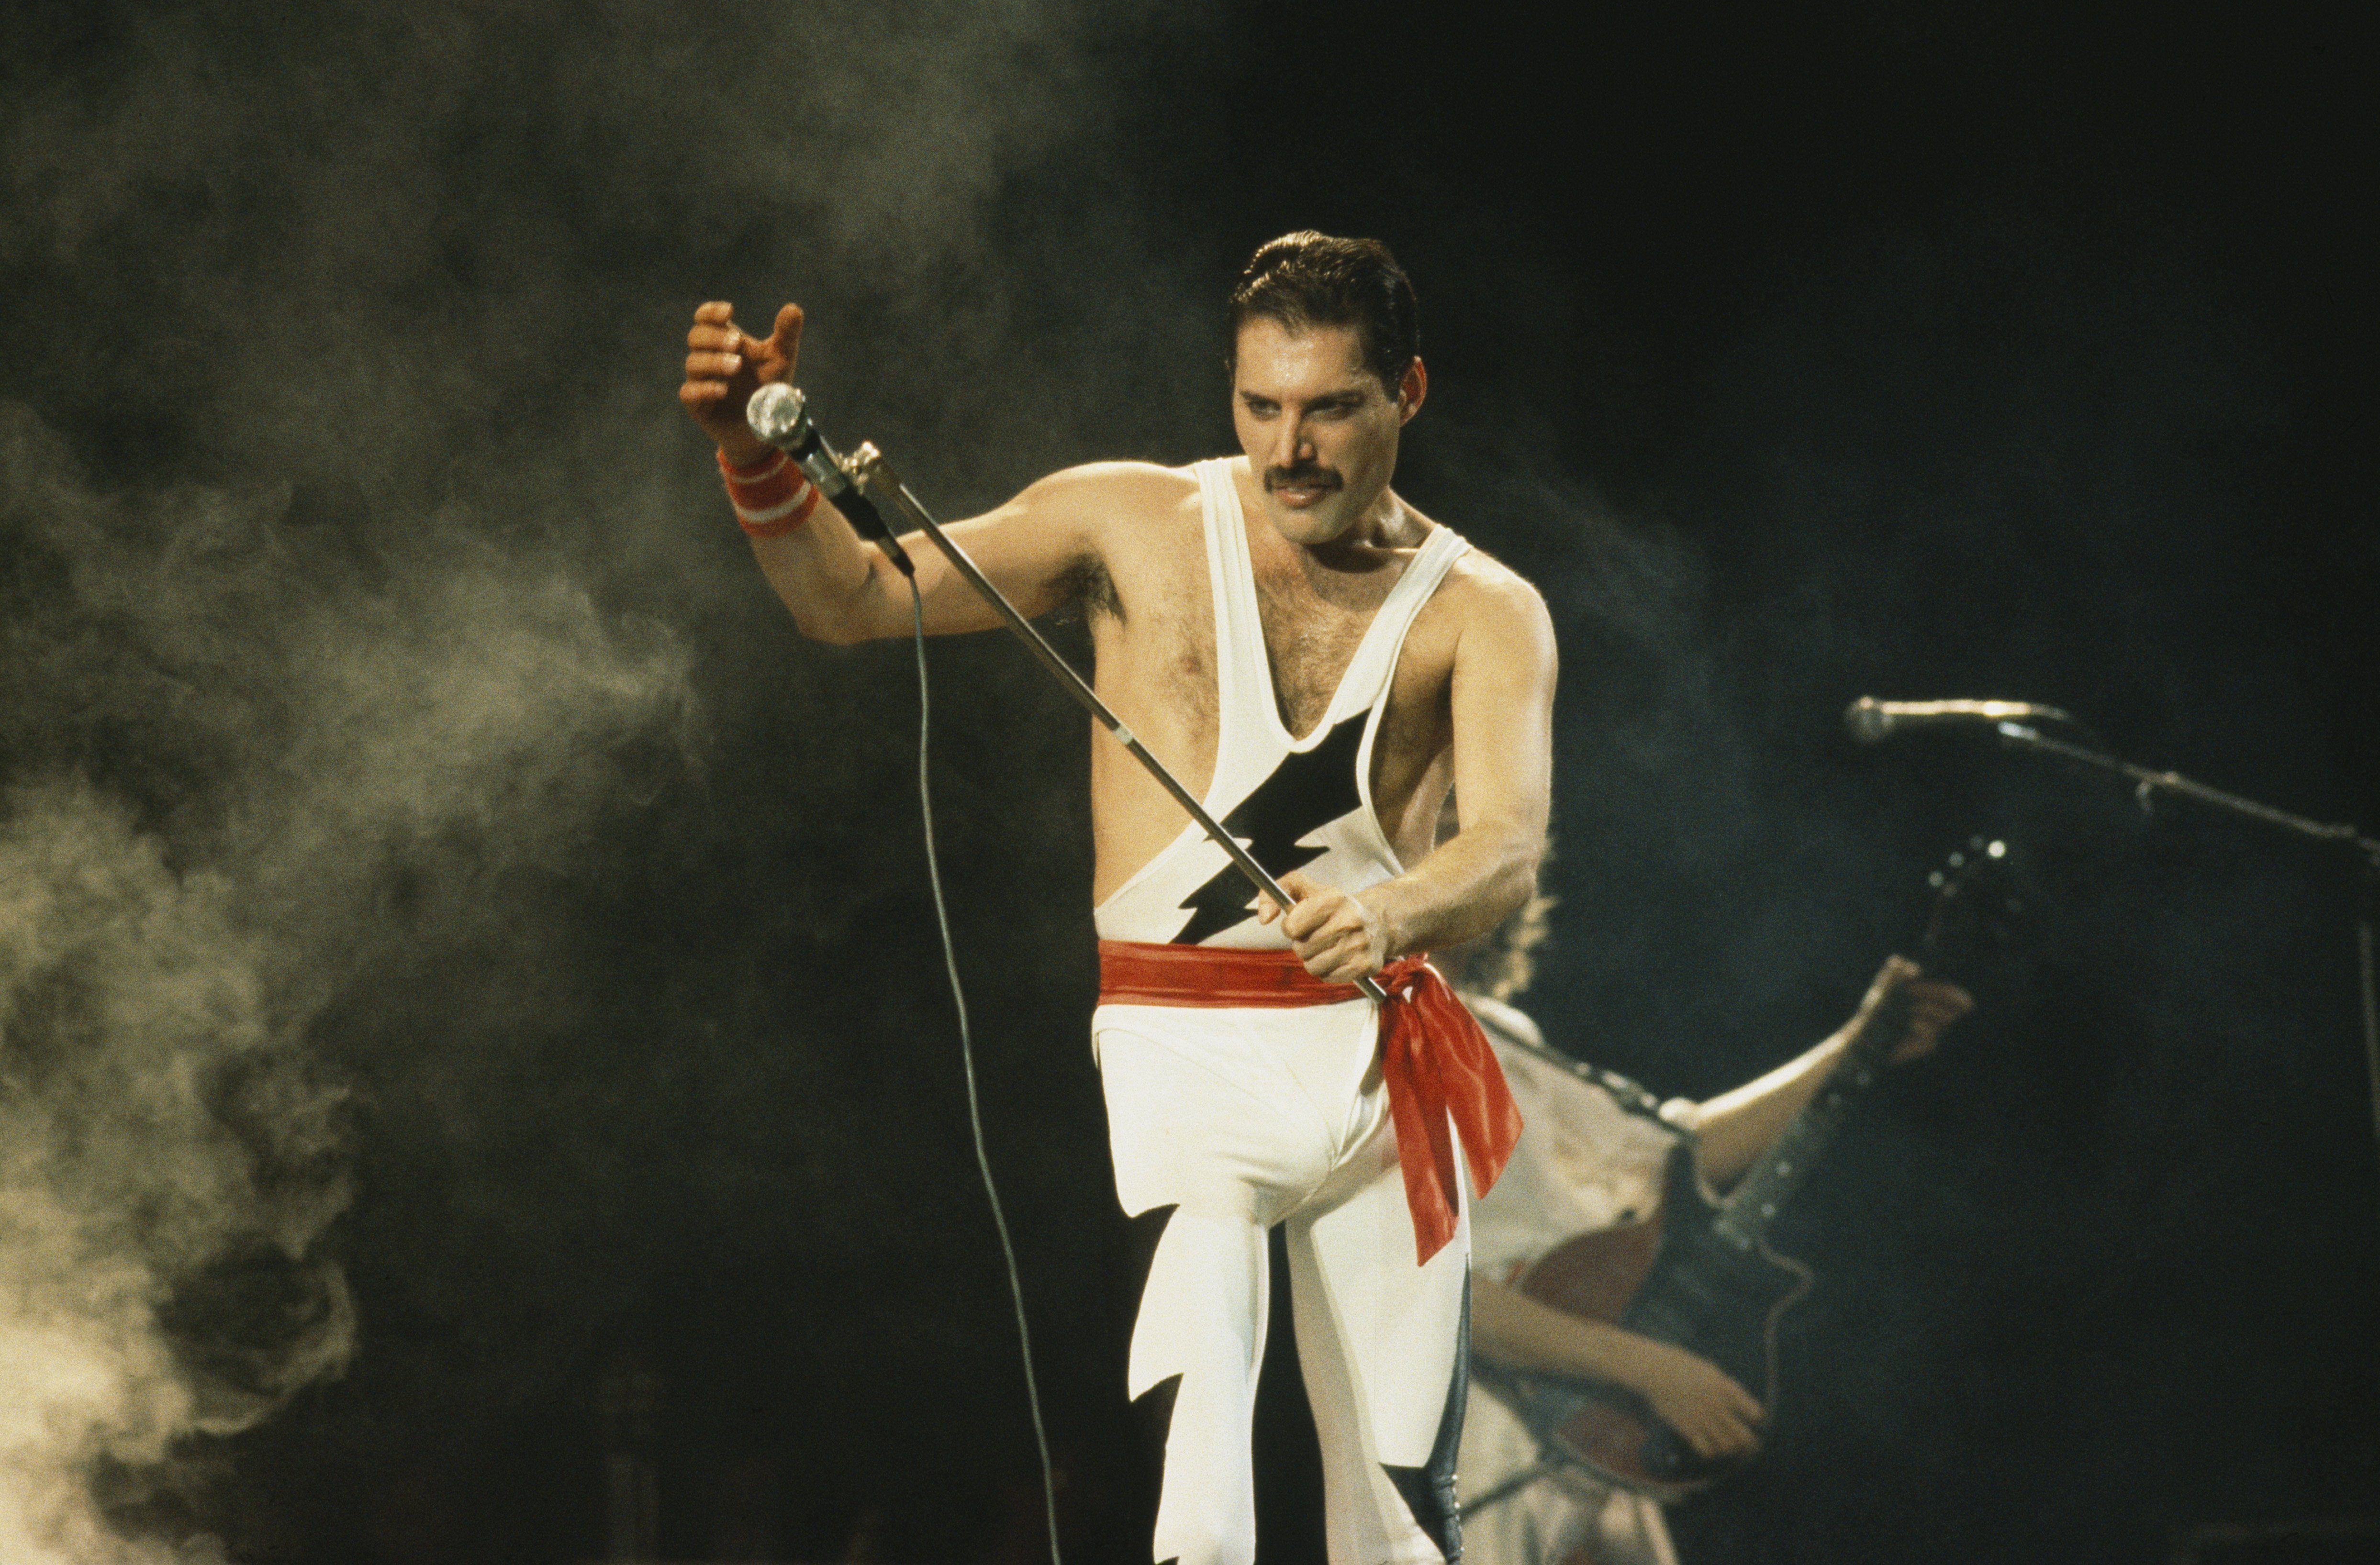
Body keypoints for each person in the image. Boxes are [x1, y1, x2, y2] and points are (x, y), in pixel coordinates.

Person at [679, 233, 1557, 1565]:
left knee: (1401, 1529)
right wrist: (753, 460)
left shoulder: (1485, 610)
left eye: (1328, 409)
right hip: (1185, 1055)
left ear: (1408, 394)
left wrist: (1390, 914)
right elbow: (849, 601)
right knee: (1198, 1519)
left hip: (1377, 1069)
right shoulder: (1127, 521)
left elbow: (1505, 850)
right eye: (1261, 407)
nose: (1291, 448)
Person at [1449, 913, 1971, 1565]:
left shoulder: (1504, 1035)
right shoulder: (1366, 1038)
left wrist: (1854, 1046)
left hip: (1573, 1440)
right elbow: (1425, 1292)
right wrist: (1647, 1367)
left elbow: (1669, 1152)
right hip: (1460, 1447)